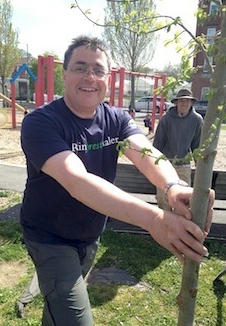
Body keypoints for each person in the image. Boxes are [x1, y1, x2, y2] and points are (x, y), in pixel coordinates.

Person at [20, 36, 213, 325]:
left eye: (98, 70)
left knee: (59, 306)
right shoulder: (41, 123)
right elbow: (77, 181)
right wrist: (153, 219)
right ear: (65, 74)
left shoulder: (116, 118)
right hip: (49, 237)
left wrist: (173, 187)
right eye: (80, 68)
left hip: (90, 234)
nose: (90, 77)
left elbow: (145, 152)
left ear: (108, 79)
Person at [153, 88, 204, 211]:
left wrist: (200, 167)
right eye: (181, 101)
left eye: (187, 101)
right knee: (162, 198)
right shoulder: (166, 119)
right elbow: (157, 144)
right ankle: (166, 226)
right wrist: (155, 165)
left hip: (184, 164)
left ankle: (179, 228)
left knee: (184, 201)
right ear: (176, 103)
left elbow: (197, 146)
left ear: (191, 103)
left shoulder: (197, 120)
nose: (184, 104)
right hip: (165, 164)